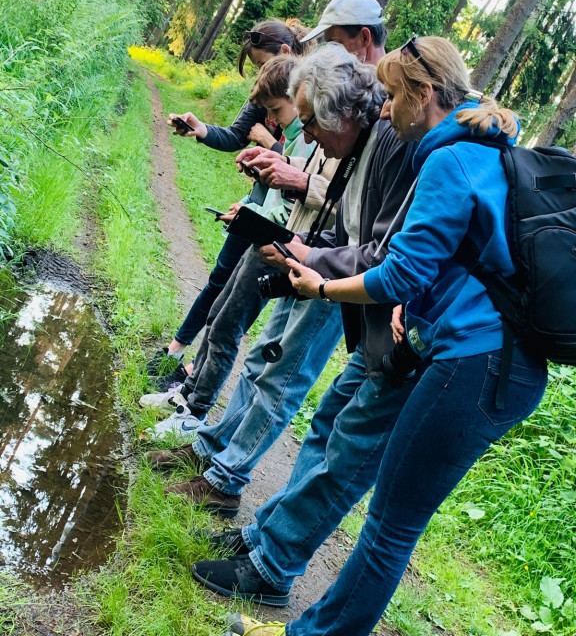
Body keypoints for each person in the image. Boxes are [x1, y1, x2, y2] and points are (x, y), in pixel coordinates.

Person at [222, 36, 548, 636]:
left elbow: (400, 269)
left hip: (473, 364)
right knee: (383, 508)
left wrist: (320, 288)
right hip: (479, 355)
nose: (384, 107)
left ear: (422, 95)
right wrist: (417, 307)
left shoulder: (448, 157)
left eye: (394, 95)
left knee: (390, 527)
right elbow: (470, 265)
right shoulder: (486, 148)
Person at [147, 44, 411, 521]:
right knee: (261, 358)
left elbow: (381, 249)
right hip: (316, 256)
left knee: (283, 377)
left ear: (342, 114)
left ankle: (225, 482)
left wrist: (306, 251)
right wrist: (294, 241)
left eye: (309, 122)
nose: (303, 133)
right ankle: (213, 451)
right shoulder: (356, 141)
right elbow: (345, 221)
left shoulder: (387, 144)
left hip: (335, 277)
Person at [143, 54, 340, 434]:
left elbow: (327, 201)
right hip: (266, 233)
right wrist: (252, 202)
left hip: (286, 243)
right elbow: (283, 190)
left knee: (228, 325)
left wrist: (278, 173)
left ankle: (194, 413)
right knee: (218, 315)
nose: (278, 119)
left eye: (278, 110)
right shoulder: (303, 135)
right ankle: (187, 394)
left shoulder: (314, 133)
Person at [145, 20, 308, 380]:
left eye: (261, 66)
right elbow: (236, 134)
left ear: (284, 54)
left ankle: (194, 373)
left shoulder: (312, 103)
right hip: (256, 205)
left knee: (238, 301)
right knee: (220, 279)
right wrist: (200, 129)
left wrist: (270, 145)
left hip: (284, 222)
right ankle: (177, 350)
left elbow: (312, 168)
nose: (258, 77)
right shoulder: (269, 92)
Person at [301, 0, 386, 66]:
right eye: (329, 45)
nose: (330, 53)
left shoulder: (393, 82)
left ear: (364, 37)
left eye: (336, 44)